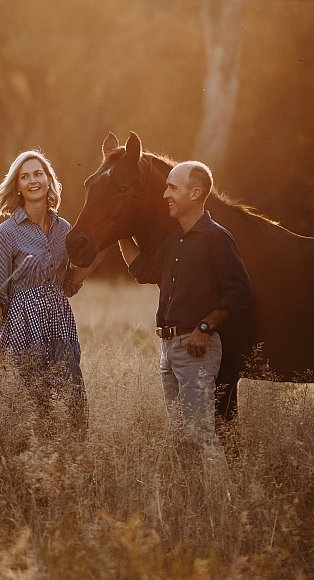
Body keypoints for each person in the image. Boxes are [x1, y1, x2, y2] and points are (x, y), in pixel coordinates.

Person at [118, 161, 252, 451]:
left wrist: (205, 327)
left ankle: (219, 496)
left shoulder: (217, 237)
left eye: (172, 187)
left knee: (200, 436)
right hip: (168, 349)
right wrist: (119, 230)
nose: (165, 194)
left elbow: (239, 291)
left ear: (195, 193)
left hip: (196, 348)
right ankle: (192, 496)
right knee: (181, 438)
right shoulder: (174, 240)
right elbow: (144, 271)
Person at [0, 150, 101, 427]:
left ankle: (71, 460)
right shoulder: (5, 234)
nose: (32, 180)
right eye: (24, 177)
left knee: (72, 403)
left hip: (61, 326)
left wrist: (97, 258)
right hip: (22, 327)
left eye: (38, 174)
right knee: (31, 407)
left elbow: (68, 285)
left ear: (49, 180)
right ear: (18, 187)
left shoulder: (65, 230)